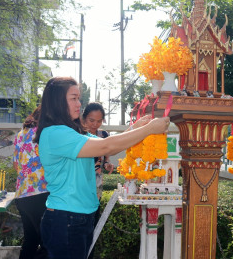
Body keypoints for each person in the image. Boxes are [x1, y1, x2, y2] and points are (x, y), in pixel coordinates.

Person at [34, 76, 169, 259]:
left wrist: (136, 127)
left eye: (78, 98)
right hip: (66, 218)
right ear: (58, 101)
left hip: (78, 216)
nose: (78, 104)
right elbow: (107, 147)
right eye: (73, 98)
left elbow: (106, 144)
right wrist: (148, 129)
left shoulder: (70, 132)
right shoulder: (55, 134)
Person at [13, 105, 49, 259]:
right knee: (48, 243)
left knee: (31, 240)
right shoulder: (45, 134)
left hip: (22, 194)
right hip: (40, 193)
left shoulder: (20, 134)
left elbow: (16, 165)